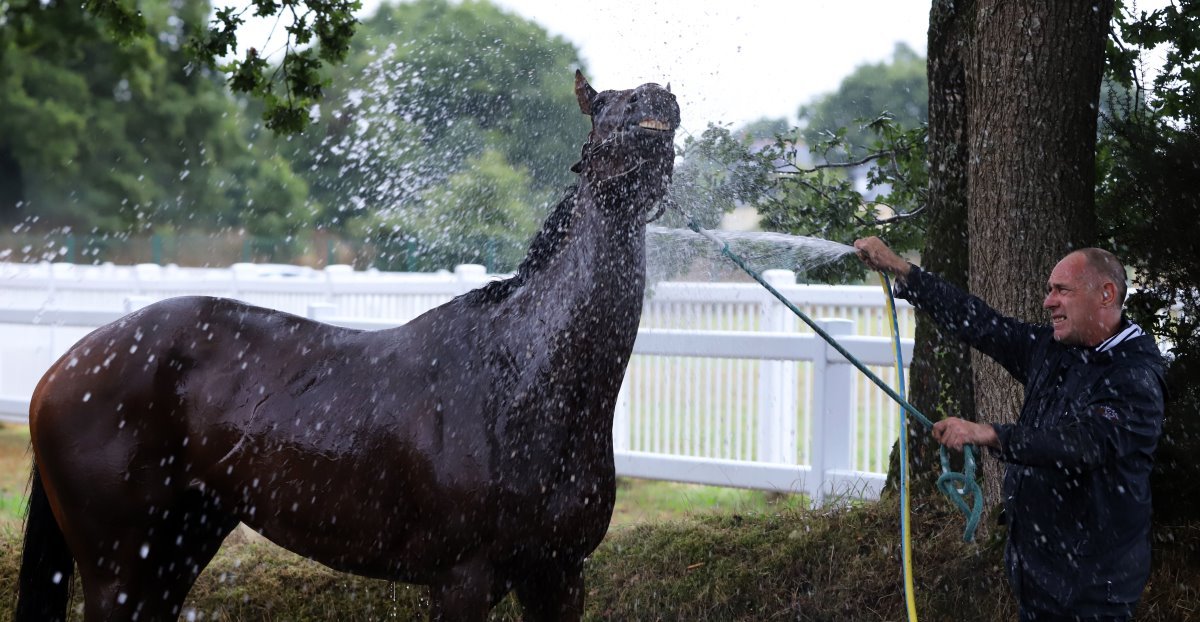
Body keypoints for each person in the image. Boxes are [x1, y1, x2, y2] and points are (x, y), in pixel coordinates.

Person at [854, 237, 1166, 622]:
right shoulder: (1054, 349)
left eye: (1062, 290)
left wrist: (991, 434)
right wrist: (904, 271)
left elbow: (1083, 444)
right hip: (1039, 579)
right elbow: (982, 324)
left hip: (1092, 590)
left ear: (1106, 294)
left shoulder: (1134, 377)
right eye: (1049, 290)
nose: (1048, 301)